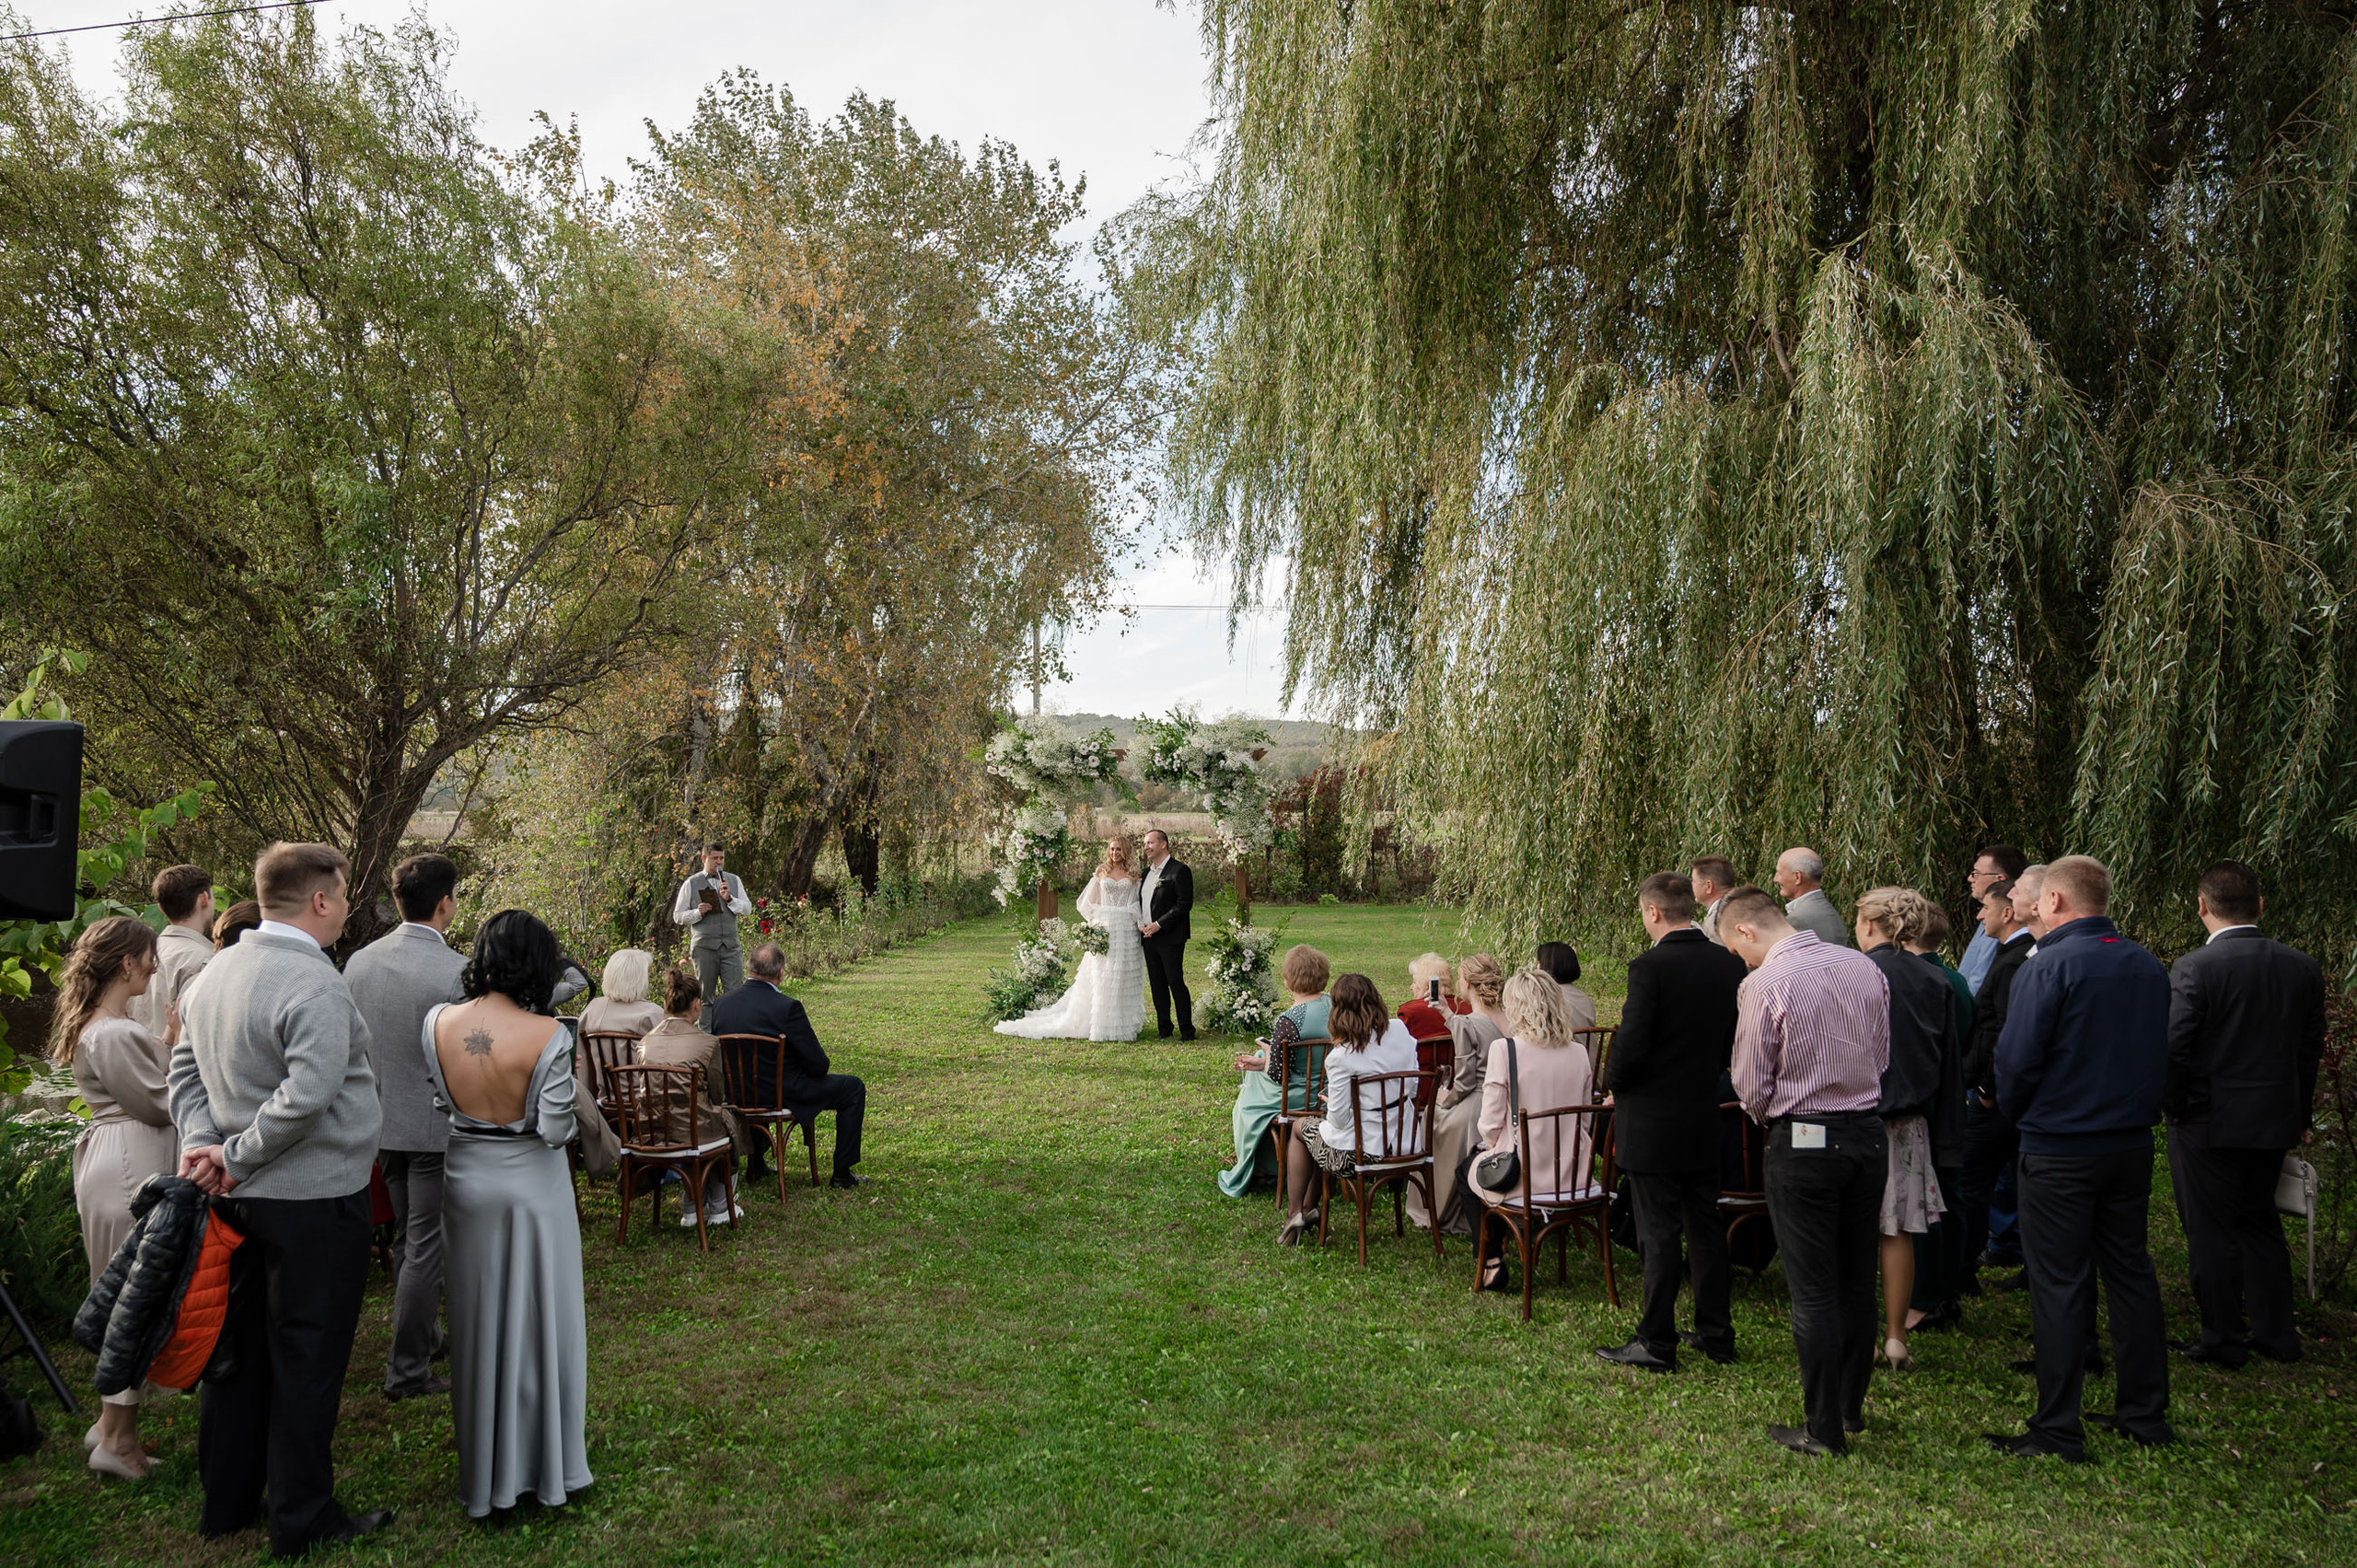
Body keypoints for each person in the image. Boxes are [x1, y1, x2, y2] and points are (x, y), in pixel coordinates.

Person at [168, 842, 390, 1554]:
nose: (349, 905)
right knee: (308, 1354)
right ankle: (301, 1513)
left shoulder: (214, 970)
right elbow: (309, 1095)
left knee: (238, 1355)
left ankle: (228, 1500)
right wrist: (229, 1155)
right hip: (313, 1197)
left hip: (238, 1198)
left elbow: (184, 1069)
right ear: (319, 900)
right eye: (344, 893)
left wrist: (207, 1145)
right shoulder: (315, 981)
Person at [1987, 855, 2174, 1460]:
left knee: (2059, 1282)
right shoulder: (2146, 962)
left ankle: (2057, 1428)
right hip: (2130, 1143)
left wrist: (2019, 1114)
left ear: (2059, 901)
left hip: (2061, 1145)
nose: (2032, 905)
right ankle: (2145, 1413)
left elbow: (2015, 1059)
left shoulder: (2051, 965)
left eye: (2040, 899)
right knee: (2130, 1272)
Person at [421, 909, 593, 1519]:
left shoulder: (437, 1021)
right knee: (544, 1316)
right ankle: (547, 1465)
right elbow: (553, 1130)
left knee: (476, 1319)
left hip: (467, 1177)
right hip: (531, 1184)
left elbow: (444, 1099)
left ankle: (486, 1470)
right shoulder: (549, 1034)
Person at [1721, 884, 1890, 1458]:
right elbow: (1882, 1051)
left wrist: (1773, 1115)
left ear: (1747, 931)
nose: (1739, 959)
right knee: (1855, 1277)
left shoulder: (1764, 982)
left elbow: (1750, 1079)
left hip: (1805, 1137)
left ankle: (1823, 1429)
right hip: (1868, 1134)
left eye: (1735, 947)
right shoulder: (1864, 968)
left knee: (1813, 1290)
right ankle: (1849, 1407)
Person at [2163, 860, 2326, 1368]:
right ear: (2260, 906)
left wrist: (2174, 1106)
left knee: (2209, 1230)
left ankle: (2223, 1338)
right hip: (2273, 1115)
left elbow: (2174, 1047)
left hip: (2206, 1121)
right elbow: (2309, 1050)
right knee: (2260, 1225)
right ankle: (2278, 1335)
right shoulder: (2301, 966)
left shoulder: (2196, 967)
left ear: (2202, 907)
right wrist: (2297, 1115)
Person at [1596, 873, 1748, 1372]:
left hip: (1654, 1118)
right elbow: (1731, 1037)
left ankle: (1656, 1340)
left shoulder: (1650, 967)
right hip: (1703, 1111)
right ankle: (1715, 1332)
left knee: (1658, 1231)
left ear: (1653, 912)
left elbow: (1631, 1043)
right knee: (1704, 1225)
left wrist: (1613, 1083)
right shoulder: (1726, 963)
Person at [342, 852, 468, 1403]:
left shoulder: (359, 964)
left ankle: (426, 1336)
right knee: (424, 1246)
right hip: (435, 1128)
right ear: (445, 904)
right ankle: (408, 1368)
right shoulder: (456, 971)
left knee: (406, 1240)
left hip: (378, 1122)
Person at [55, 915, 178, 1480]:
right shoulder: (113, 1032)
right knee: (134, 1299)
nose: (155, 966)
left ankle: (108, 1426)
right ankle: (118, 1443)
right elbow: (157, 1102)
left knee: (122, 1295)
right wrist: (184, 1054)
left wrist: (167, 1041)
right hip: (130, 1165)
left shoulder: (107, 1026)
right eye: (149, 956)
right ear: (126, 962)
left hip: (115, 1157)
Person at [1853, 889, 1956, 1373]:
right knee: (1897, 1232)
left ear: (1871, 925)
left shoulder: (1857, 973)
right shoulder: (1935, 980)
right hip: (1911, 1121)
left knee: (1853, 1230)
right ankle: (1896, 1337)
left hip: (1857, 1116)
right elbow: (1948, 1061)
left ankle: (1862, 1337)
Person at [1467, 969, 1594, 1291]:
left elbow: (1491, 1122)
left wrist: (1488, 1144)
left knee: (1466, 1170)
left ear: (1516, 1007)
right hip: (1573, 1177)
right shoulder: (1578, 1053)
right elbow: (1586, 1120)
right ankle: (1502, 1246)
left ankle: (1492, 1259)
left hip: (1524, 1177)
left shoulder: (1506, 1050)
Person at [704, 943, 868, 1189]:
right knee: (853, 1088)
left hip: (736, 1093)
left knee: (756, 1076)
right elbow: (818, 1065)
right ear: (780, 974)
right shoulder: (788, 1008)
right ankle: (842, 1174)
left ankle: (757, 1163)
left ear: (747, 968)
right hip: (778, 1093)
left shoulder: (721, 1004)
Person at [1281, 973, 1418, 1246]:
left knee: (1301, 1129)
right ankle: (1307, 1209)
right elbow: (1412, 1086)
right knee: (1318, 1134)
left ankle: (1294, 1212)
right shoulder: (1400, 1031)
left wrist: (1332, 1103)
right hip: (1408, 1144)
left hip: (1362, 1152)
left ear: (1338, 1011)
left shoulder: (1342, 1057)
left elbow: (1340, 1122)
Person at [1958, 877, 2035, 1295]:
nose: (1978, 915)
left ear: (2007, 913)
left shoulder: (2013, 961)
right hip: (2001, 1092)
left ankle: (1963, 1269)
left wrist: (1987, 1088)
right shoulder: (2016, 954)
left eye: (1985, 908)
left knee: (1973, 1179)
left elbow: (2006, 1031)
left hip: (1996, 1098)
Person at [993, 836, 1147, 1041]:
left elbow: (1137, 902)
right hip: (1106, 926)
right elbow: (1086, 902)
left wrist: (1139, 922)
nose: (1115, 853)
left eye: (1118, 849)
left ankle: (1123, 1025)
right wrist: (1096, 924)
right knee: (1103, 975)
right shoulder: (1101, 871)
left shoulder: (1134, 874)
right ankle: (1101, 1026)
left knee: (1124, 976)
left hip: (1127, 930)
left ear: (1125, 851)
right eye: (1111, 849)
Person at [1901, 897, 1971, 1331]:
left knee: (1924, 1200)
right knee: (1950, 1195)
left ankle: (1928, 1294)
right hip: (1950, 1100)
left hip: (1925, 1103)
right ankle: (1950, 1284)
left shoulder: (1924, 980)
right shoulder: (1955, 979)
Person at [1220, 944, 1330, 1199]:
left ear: (1289, 981)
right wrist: (1263, 1060)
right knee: (1258, 1066)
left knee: (1246, 1104)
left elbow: (1278, 1075)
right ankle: (1268, 1162)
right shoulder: (1337, 1006)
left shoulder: (1291, 1019)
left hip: (1296, 1097)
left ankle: (1256, 1165)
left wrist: (1266, 1054)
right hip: (1329, 1094)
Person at [637, 969, 747, 1227]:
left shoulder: (644, 1042)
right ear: (698, 1005)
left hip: (653, 1130)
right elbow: (717, 1095)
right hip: (692, 1130)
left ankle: (692, 1206)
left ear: (665, 1005)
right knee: (725, 1120)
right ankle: (720, 1204)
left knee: (696, 1121)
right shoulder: (707, 1043)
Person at [1425, 953, 1508, 1234]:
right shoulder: (1509, 1019)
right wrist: (1448, 1015)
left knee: (1433, 1118)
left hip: (1477, 1103)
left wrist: (1443, 1101)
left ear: (1469, 984)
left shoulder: (1469, 1023)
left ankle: (1435, 1207)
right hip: (1508, 1103)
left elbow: (1464, 1083)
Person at [131, 864, 215, 1041]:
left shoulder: (136, 954)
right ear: (204, 899)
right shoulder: (205, 960)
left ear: (161, 908)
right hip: (175, 1065)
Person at [671, 842, 750, 1005]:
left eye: (721, 858)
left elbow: (747, 909)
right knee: (705, 997)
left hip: (731, 947)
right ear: (703, 858)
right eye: (715, 858)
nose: (719, 862)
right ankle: (706, 1031)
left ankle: (732, 1030)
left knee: (735, 995)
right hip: (704, 948)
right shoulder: (691, 883)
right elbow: (677, 916)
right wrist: (697, 913)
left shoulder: (734, 880)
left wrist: (730, 899)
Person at [1138, 828, 1196, 1041]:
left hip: (1170, 937)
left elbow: (1184, 904)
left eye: (1150, 843)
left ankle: (1187, 1030)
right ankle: (1164, 1028)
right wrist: (1143, 925)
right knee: (1157, 984)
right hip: (1148, 937)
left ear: (1163, 844)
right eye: (1144, 844)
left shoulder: (1179, 870)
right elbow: (1141, 903)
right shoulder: (1145, 873)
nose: (1146, 847)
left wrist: (1159, 924)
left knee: (1175, 982)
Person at [1957, 844, 2031, 992]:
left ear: (1999, 879)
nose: (1970, 879)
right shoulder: (1990, 916)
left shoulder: (2003, 922)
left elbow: (1979, 982)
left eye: (1976, 873)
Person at [1774, 848, 1851, 947]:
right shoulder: (1832, 913)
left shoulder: (1797, 920)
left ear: (1797, 877)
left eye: (1779, 873)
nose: (1775, 879)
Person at [1397, 952, 1467, 1038]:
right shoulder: (1467, 1008)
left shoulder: (1409, 1013)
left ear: (1428, 986)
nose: (1411, 987)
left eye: (1415, 982)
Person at [1691, 856, 1738, 946]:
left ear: (1708, 886)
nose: (1692, 885)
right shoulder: (1747, 905)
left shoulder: (1717, 920)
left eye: (1694, 881)